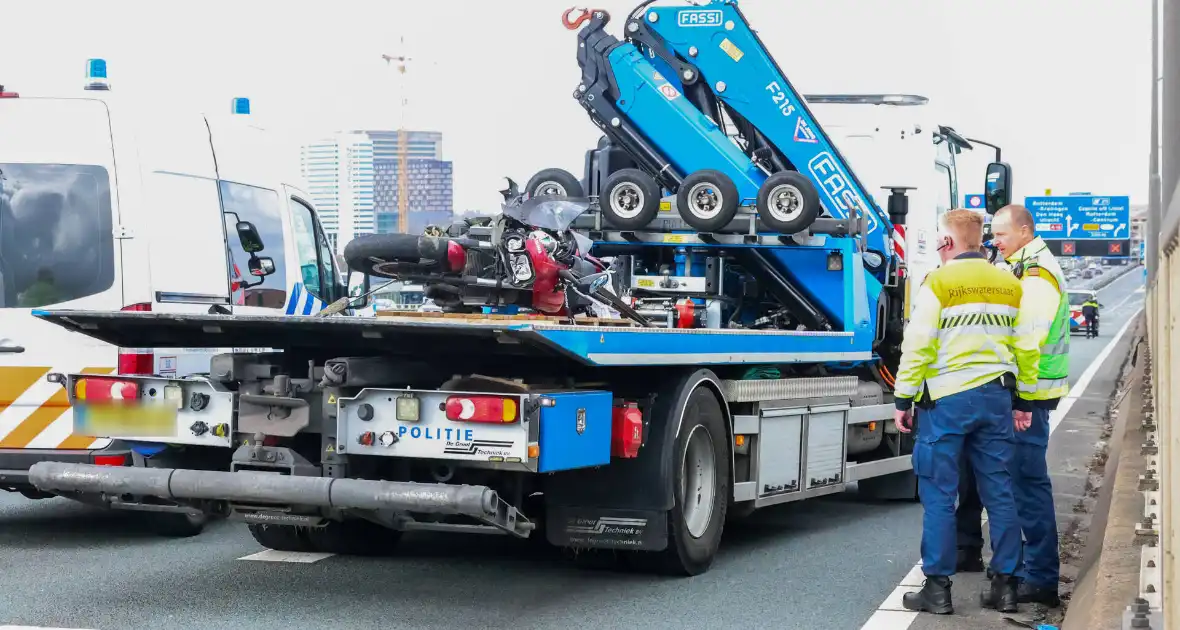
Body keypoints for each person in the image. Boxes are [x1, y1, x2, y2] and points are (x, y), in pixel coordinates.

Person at [895, 209, 1039, 615]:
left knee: (940, 494)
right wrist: (1024, 400)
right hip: (995, 400)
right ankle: (1006, 587)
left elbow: (918, 345)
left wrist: (903, 399)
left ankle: (938, 590)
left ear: (946, 243)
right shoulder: (1009, 282)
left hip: (946, 401)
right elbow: (1026, 347)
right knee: (1000, 491)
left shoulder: (938, 282)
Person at [955, 204, 1069, 607]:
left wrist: (1012, 392)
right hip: (1028, 394)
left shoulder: (1036, 276)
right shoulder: (1021, 266)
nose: (994, 242)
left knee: (1026, 485)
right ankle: (1025, 571)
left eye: (1001, 235)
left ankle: (1039, 578)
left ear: (1024, 231)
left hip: (1029, 398)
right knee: (1018, 484)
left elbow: (1028, 340)